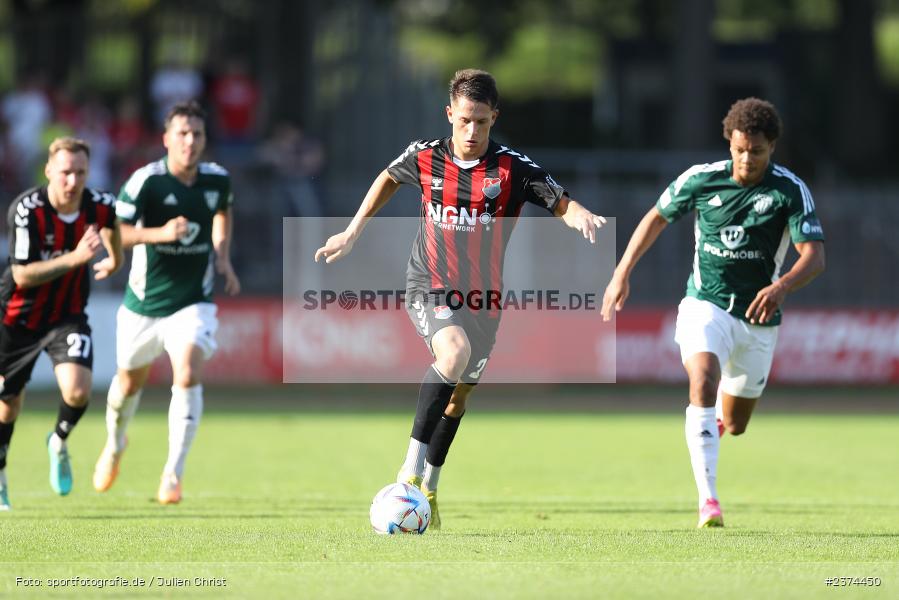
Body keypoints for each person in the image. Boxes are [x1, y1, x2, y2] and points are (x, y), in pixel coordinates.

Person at [315, 69, 606, 529]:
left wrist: (581, 214)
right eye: (465, 120)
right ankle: (407, 472)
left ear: (495, 118)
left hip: (485, 300)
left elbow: (560, 201)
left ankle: (429, 485)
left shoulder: (513, 169)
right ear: (450, 114)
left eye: (482, 123)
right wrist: (352, 232)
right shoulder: (426, 157)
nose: (472, 132)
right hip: (428, 282)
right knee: (453, 352)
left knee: (458, 398)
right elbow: (388, 178)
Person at [601, 98, 825, 527]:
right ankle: (709, 501)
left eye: (756, 151)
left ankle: (708, 428)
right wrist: (622, 272)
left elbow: (814, 258)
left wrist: (780, 287)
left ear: (772, 147)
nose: (746, 159)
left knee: (736, 424)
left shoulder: (788, 190)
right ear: (730, 142)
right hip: (706, 304)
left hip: (759, 318)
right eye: (739, 149)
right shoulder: (702, 180)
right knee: (702, 380)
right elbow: (656, 217)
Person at [92, 101, 240, 505]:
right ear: (166, 139)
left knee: (188, 372)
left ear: (205, 140)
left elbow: (223, 212)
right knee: (128, 384)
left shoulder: (217, 180)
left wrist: (222, 257)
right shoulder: (146, 182)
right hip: (143, 304)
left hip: (193, 301)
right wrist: (160, 233)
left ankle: (173, 473)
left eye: (197, 134)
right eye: (182, 134)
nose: (190, 141)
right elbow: (115, 234)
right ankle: (115, 443)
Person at [0, 137, 123, 510]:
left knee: (78, 390)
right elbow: (22, 275)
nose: (73, 181)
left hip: (67, 314)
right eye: (66, 172)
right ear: (49, 171)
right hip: (17, 318)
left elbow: (114, 224)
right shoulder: (27, 210)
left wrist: (114, 259)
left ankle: (58, 439)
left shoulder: (99, 204)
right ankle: (1, 473)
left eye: (81, 173)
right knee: (8, 404)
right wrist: (76, 258)